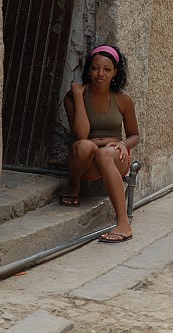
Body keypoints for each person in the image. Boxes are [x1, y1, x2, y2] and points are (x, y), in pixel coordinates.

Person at [61, 45, 140, 244]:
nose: (100, 74)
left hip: (113, 158)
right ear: (88, 70)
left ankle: (123, 223)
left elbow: (135, 136)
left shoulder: (123, 100)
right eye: (95, 68)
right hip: (86, 160)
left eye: (107, 69)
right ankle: (74, 184)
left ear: (115, 73)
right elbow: (81, 134)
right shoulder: (73, 97)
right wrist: (79, 97)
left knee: (104, 153)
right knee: (84, 146)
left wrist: (122, 143)